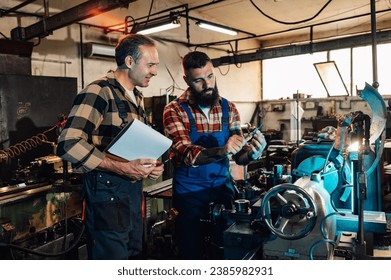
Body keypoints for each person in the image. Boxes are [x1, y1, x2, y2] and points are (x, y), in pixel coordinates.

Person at [56, 34, 164, 260]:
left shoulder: (136, 97)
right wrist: (121, 167)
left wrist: (151, 165)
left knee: (133, 254)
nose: (155, 71)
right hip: (106, 194)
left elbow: (134, 148)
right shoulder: (99, 91)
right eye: (150, 64)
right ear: (130, 62)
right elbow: (68, 143)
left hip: (132, 194)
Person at [162, 51, 267, 259]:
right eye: (199, 80)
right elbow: (186, 153)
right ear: (187, 80)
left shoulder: (230, 109)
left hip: (222, 191)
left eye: (210, 76)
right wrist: (222, 150)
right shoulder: (174, 110)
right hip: (189, 196)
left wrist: (253, 153)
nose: (207, 84)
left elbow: (239, 157)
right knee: (191, 253)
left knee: (226, 250)